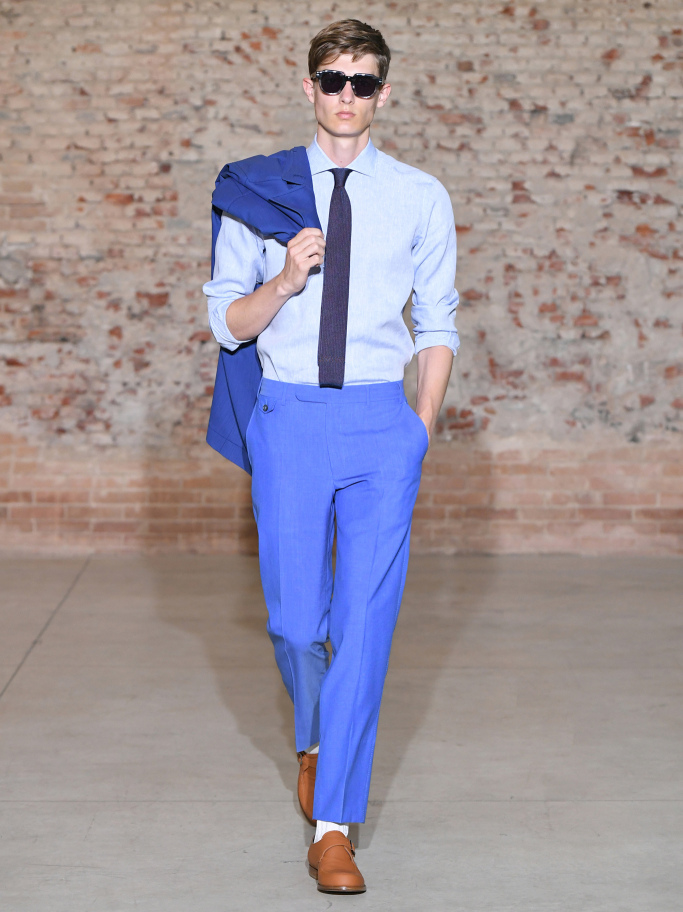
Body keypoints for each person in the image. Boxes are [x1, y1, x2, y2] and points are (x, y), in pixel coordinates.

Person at [203, 18, 459, 895]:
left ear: (383, 92)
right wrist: (283, 279)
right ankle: (313, 736)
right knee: (292, 621)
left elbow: (438, 321)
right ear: (307, 86)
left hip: (382, 426)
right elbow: (225, 322)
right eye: (332, 79)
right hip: (289, 420)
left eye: (363, 81)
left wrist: (419, 425)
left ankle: (334, 828)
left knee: (364, 627)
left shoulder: (419, 195)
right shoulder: (259, 192)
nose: (347, 95)